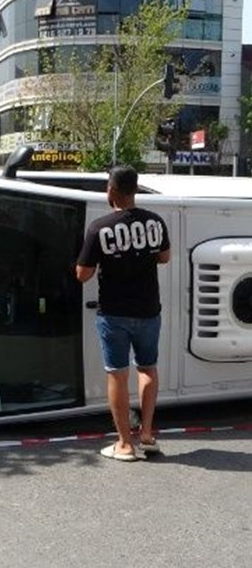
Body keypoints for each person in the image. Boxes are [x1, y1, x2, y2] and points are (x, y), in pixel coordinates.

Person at [75, 165, 171, 462]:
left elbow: (83, 275)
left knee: (117, 375)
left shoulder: (99, 228)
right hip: (148, 311)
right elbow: (165, 257)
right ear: (136, 190)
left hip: (114, 313)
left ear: (112, 190)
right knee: (148, 368)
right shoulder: (155, 222)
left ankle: (125, 445)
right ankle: (146, 434)